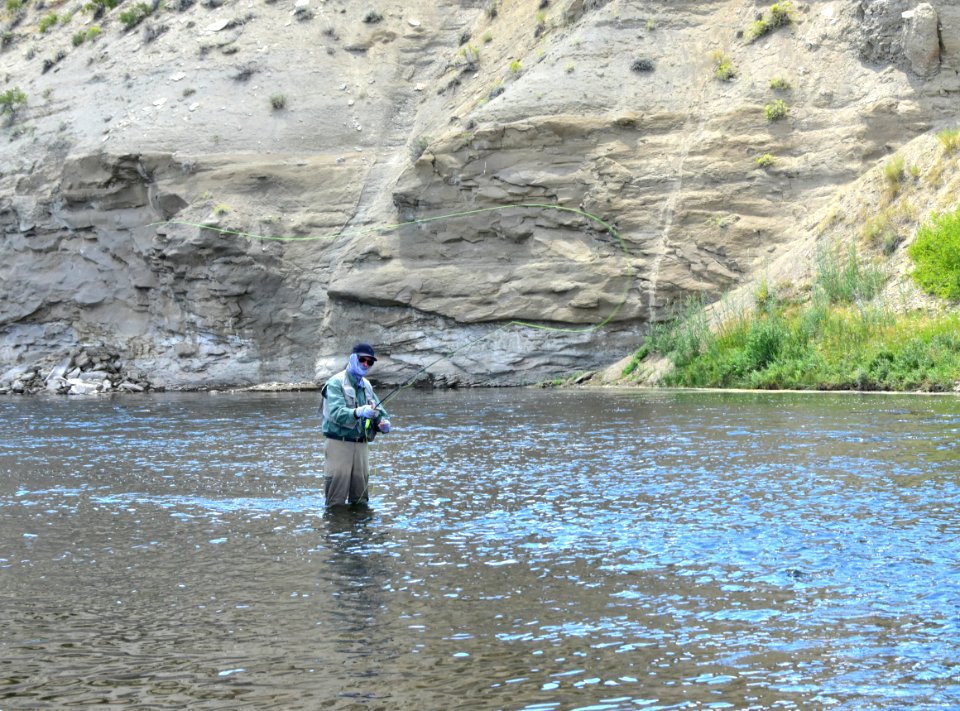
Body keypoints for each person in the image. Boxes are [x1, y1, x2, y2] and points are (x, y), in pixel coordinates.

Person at [321, 342, 392, 507]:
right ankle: (337, 530)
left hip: (361, 445)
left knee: (360, 500)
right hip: (339, 443)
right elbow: (337, 413)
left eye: (370, 362)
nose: (366, 364)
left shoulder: (367, 385)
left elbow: (379, 411)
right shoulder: (335, 383)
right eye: (362, 360)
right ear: (353, 359)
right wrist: (359, 412)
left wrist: (383, 423)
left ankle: (360, 531)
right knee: (335, 501)